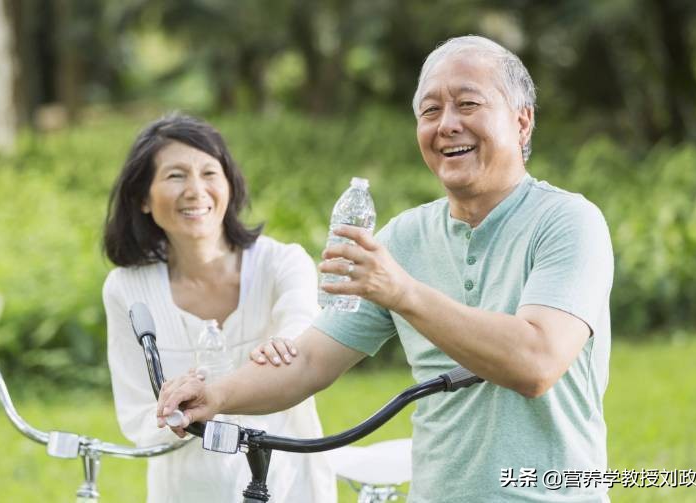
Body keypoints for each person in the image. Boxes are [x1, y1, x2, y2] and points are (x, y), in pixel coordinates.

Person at [158, 35, 614, 503]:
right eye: (430, 111)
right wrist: (217, 396)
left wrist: (403, 293)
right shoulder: (403, 238)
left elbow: (536, 363)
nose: (447, 125)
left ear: (522, 122)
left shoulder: (569, 223)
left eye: (468, 104)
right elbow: (312, 360)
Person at [102, 113, 336, 503]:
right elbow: (136, 413)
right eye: (176, 176)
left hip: (290, 482)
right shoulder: (126, 289)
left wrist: (284, 345)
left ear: (229, 185)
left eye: (209, 173)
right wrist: (175, 411)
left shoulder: (283, 264)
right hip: (186, 490)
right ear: (142, 198)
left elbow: (302, 332)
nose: (196, 190)